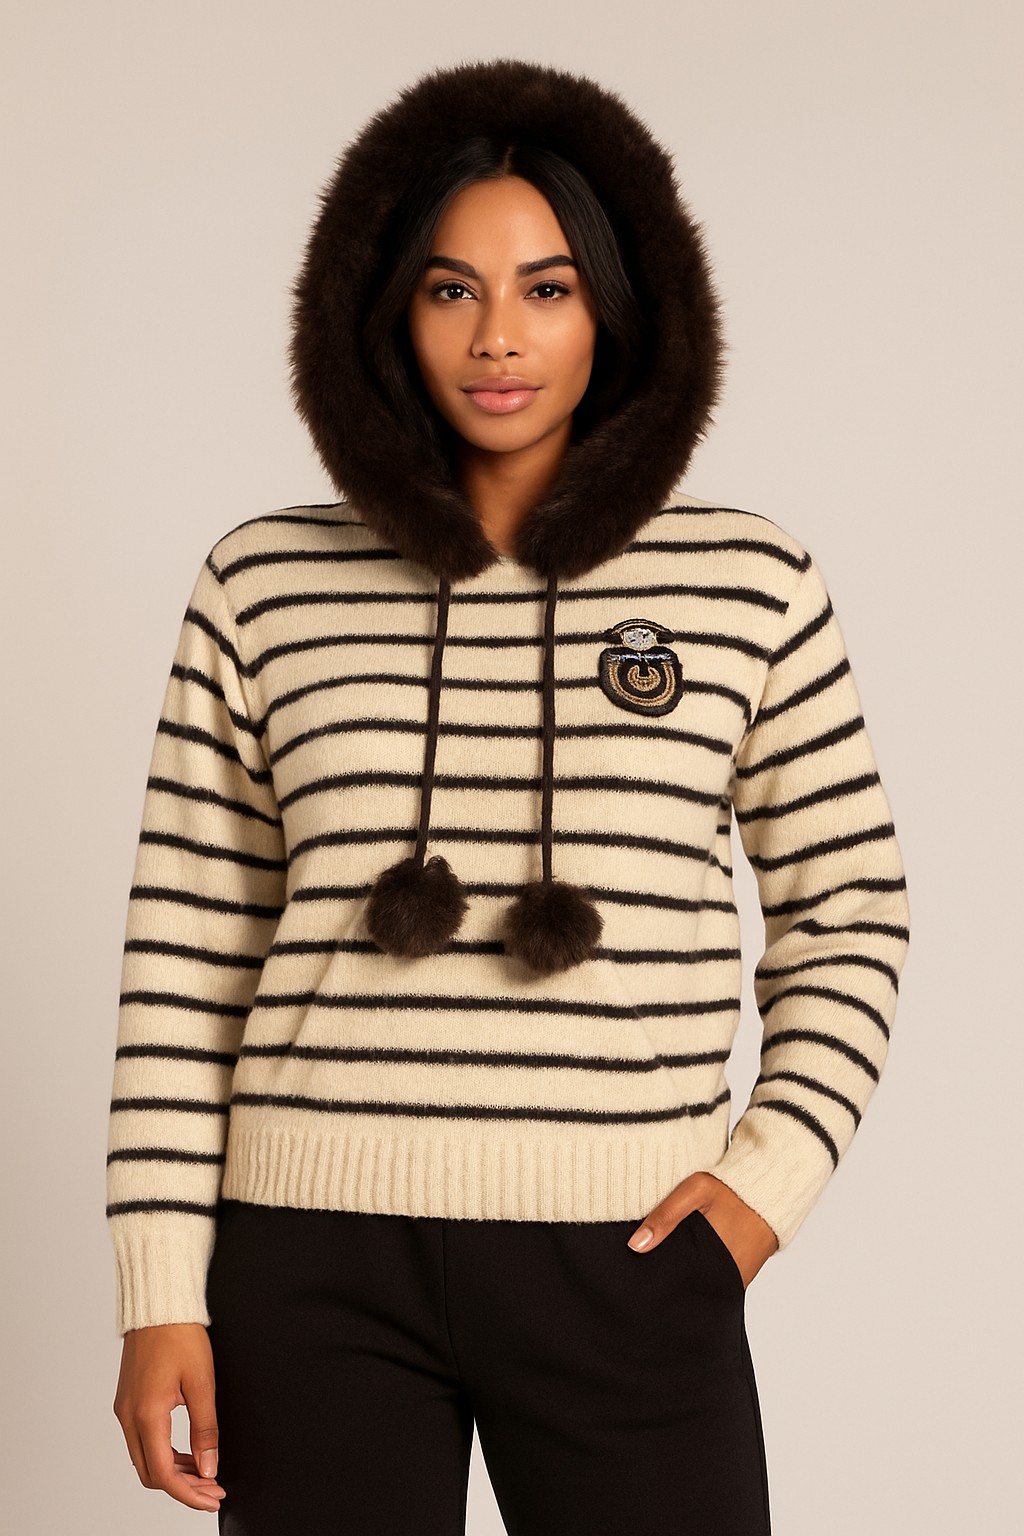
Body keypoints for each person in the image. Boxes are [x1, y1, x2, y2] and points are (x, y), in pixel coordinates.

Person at [108, 59, 910, 1535]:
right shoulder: (261, 582)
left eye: (547, 288)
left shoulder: (750, 581)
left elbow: (850, 913)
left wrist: (763, 1190)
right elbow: (186, 954)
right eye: (449, 289)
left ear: (621, 308)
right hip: (313, 1260)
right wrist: (159, 1285)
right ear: (380, 312)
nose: (497, 336)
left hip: (630, 1255)